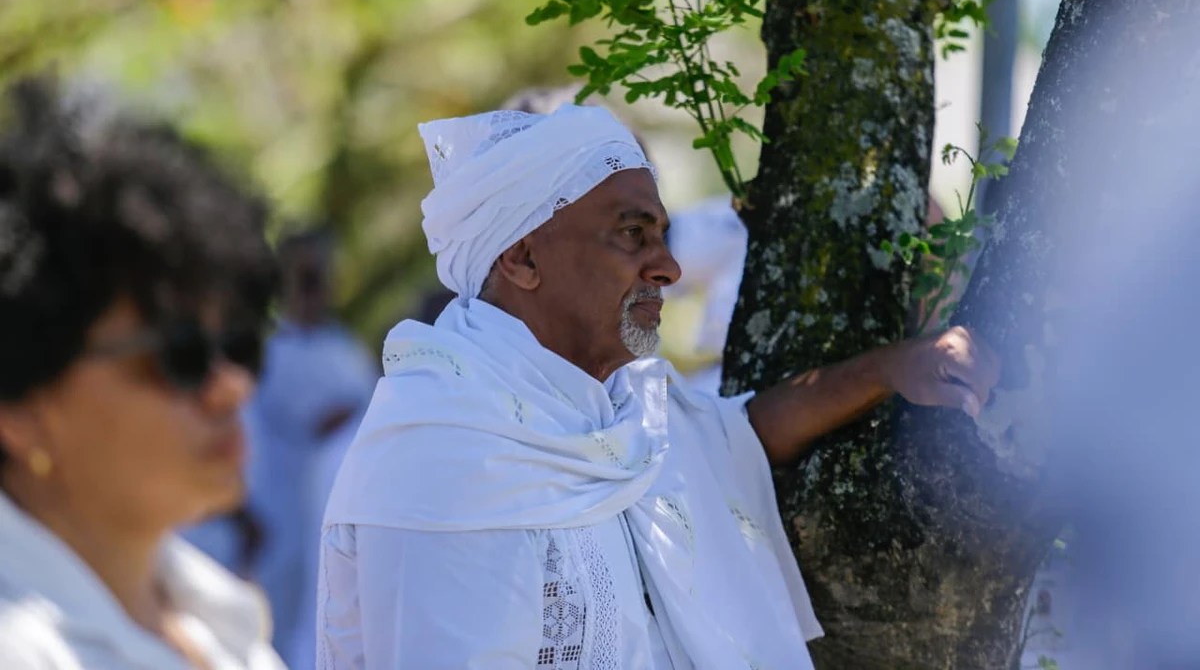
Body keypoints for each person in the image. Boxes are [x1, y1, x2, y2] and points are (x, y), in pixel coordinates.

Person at [316, 104, 999, 668]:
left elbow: (737, 436)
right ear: (522, 257)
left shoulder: (620, 405)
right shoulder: (441, 455)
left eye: (662, 235)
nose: (668, 267)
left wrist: (888, 369)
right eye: (632, 234)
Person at [0, 78, 284, 669]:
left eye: (237, 343)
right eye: (180, 354)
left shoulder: (215, 615)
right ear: (21, 410)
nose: (232, 386)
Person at [243, 226, 378, 670]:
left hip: (335, 516)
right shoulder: (268, 352)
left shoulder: (347, 350)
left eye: (317, 276)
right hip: (279, 520)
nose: (312, 287)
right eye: (303, 276)